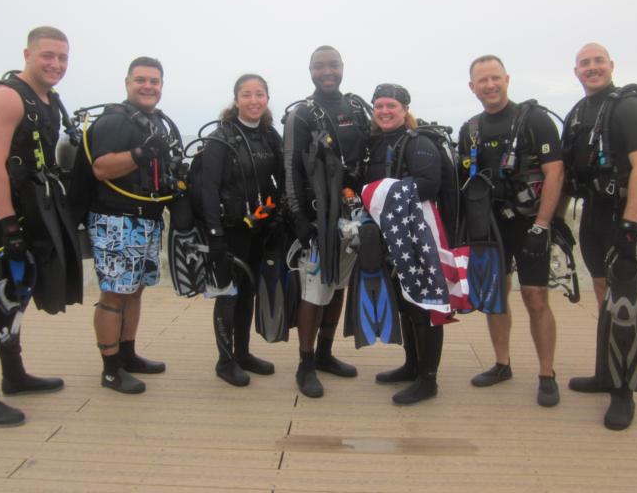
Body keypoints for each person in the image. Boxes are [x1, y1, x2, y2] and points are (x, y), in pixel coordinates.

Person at [0, 26, 82, 426]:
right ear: (27, 54)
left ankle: (14, 376)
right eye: (47, 55)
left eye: (63, 57)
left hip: (27, 211)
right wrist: (8, 226)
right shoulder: (5, 96)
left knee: (14, 295)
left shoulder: (47, 100)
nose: (56, 64)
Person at [561, 43, 637, 430]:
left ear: (611, 65)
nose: (592, 68)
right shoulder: (579, 113)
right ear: (576, 72)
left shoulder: (630, 106)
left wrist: (631, 226)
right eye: (585, 63)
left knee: (624, 304)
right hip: (594, 217)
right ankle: (607, 374)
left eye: (598, 61)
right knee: (605, 296)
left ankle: (624, 393)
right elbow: (569, 172)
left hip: (625, 218)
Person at [459, 55, 564, 407]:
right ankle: (502, 364)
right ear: (472, 87)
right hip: (489, 226)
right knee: (495, 296)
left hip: (529, 223)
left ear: (507, 79)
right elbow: (464, 183)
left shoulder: (535, 119)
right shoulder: (470, 129)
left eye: (495, 78)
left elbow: (555, 173)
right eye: (482, 81)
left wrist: (542, 225)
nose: (490, 86)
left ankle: (547, 373)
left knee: (535, 298)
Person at [86, 57, 181, 394]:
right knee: (114, 293)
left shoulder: (151, 122)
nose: (148, 86)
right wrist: (141, 154)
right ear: (127, 82)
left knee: (135, 289)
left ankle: (128, 354)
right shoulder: (115, 121)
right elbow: (101, 168)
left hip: (146, 218)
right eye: (141, 79)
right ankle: (110, 369)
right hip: (116, 220)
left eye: (154, 81)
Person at [282, 45, 370, 398]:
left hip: (352, 214)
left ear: (343, 67)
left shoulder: (356, 109)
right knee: (315, 291)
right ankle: (305, 364)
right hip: (318, 218)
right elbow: (290, 167)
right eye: (320, 66)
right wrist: (299, 218)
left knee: (338, 285)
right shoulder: (301, 114)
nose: (327, 71)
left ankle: (325, 355)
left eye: (333, 65)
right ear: (310, 70)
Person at [189, 74, 284, 386]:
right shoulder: (221, 138)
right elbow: (209, 189)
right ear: (236, 99)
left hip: (259, 226)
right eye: (246, 95)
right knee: (228, 294)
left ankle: (242, 353)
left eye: (259, 94)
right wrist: (214, 234)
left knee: (249, 292)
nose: (253, 100)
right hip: (230, 229)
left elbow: (282, 179)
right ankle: (225, 361)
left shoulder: (270, 136)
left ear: (267, 99)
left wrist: (279, 217)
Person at [364, 84, 445, 404]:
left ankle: (429, 379)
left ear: (405, 108)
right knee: (404, 302)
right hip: (388, 232)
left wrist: (380, 194)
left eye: (391, 105)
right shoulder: (378, 143)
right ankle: (412, 365)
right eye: (379, 106)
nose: (384, 111)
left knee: (422, 304)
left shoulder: (419, 142)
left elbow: (428, 184)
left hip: (416, 235)